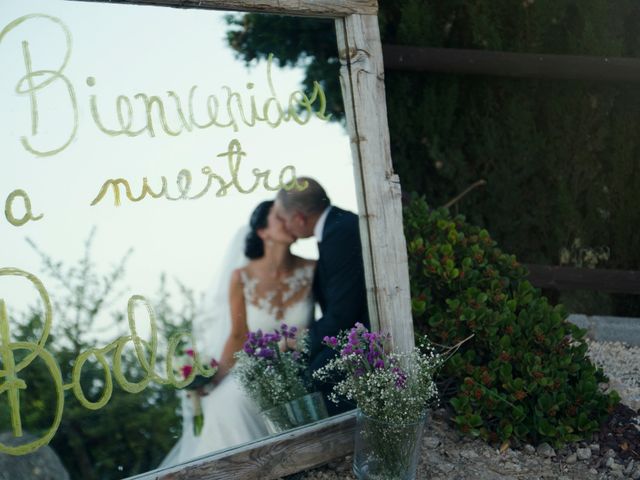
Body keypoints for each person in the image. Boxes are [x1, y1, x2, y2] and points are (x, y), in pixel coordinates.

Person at [160, 200, 316, 467]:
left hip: (303, 363)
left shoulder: (313, 268)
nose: (289, 219)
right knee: (226, 400)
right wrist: (212, 380)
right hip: (257, 367)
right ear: (262, 232)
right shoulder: (241, 277)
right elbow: (238, 336)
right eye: (280, 217)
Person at [274, 178, 369, 415]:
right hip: (352, 327)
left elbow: (342, 312)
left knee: (316, 373)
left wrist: (302, 342)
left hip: (365, 330)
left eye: (284, 220)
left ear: (299, 218)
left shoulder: (339, 233)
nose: (285, 227)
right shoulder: (335, 226)